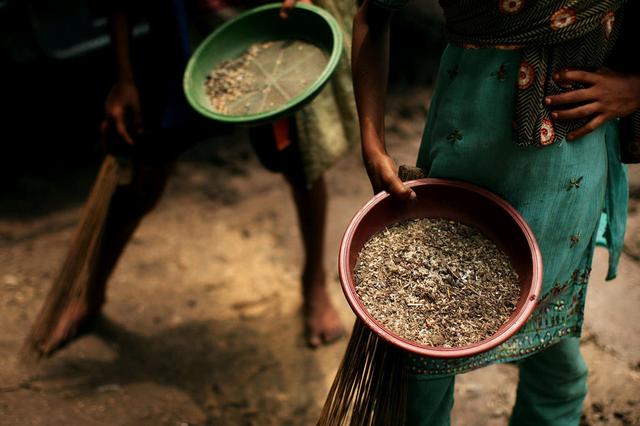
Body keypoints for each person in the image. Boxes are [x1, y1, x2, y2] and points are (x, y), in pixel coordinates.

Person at [352, 0, 639, 424]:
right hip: (464, 161)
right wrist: (371, 144)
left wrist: (634, 87)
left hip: (565, 179)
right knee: (422, 360)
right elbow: (372, 14)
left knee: (555, 353)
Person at [32, 0, 358, 355]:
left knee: (300, 164)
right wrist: (124, 79)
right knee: (142, 176)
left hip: (268, 32)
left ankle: (313, 283)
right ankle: (90, 294)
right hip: (181, 38)